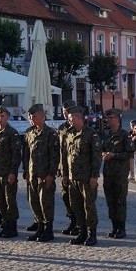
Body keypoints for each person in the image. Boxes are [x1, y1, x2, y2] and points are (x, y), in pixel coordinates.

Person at [61, 106, 102, 246]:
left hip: (86, 177)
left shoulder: (91, 134)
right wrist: (65, 174)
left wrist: (94, 176)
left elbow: (96, 157)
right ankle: (82, 232)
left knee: (88, 206)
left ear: (79, 118)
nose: (69, 121)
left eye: (71, 119)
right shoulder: (69, 134)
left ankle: (92, 234)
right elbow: (66, 156)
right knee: (76, 206)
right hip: (73, 178)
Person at [22, 104, 60, 242]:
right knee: (34, 202)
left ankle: (48, 230)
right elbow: (26, 154)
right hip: (33, 174)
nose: (31, 119)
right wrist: (26, 171)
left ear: (42, 117)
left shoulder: (51, 134)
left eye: (33, 117)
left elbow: (55, 156)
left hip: (45, 175)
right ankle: (39, 228)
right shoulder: (29, 133)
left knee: (46, 203)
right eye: (30, 117)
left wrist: (51, 174)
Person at [0, 106, 22, 238]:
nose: (0, 119)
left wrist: (13, 172)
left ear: (7, 117)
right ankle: (5, 223)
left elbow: (16, 155)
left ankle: (12, 227)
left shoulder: (12, 133)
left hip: (7, 174)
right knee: (0, 200)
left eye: (2, 116)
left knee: (10, 201)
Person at [101, 109, 133, 238]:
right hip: (108, 173)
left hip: (120, 174)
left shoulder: (125, 135)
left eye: (111, 118)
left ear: (118, 119)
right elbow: (101, 149)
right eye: (107, 118)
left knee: (120, 201)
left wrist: (115, 155)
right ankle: (114, 227)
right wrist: (104, 154)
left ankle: (122, 228)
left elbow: (130, 153)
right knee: (111, 201)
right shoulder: (106, 135)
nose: (108, 120)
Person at [58, 100, 77, 235]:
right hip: (64, 168)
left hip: (76, 169)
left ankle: (79, 223)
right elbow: (61, 149)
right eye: (63, 112)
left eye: (67, 112)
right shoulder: (61, 128)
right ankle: (71, 220)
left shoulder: (79, 126)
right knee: (65, 196)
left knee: (76, 197)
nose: (65, 115)